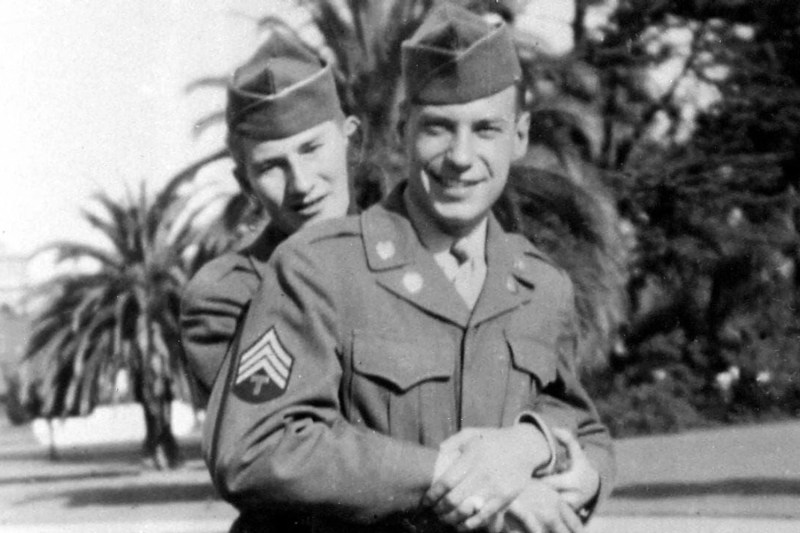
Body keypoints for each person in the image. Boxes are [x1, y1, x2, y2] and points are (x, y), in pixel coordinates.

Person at [204, 4, 614, 532]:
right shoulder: (318, 269)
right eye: (438, 129)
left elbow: (579, 422)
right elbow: (255, 447)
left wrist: (538, 448)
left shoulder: (540, 284)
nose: (461, 157)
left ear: (520, 137)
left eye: (486, 129)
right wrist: (460, 480)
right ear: (403, 132)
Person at [180, 31, 361, 401]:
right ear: (245, 183)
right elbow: (275, 445)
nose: (301, 183)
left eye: (311, 149)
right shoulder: (227, 297)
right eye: (271, 166)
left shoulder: (419, 258)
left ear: (351, 140)